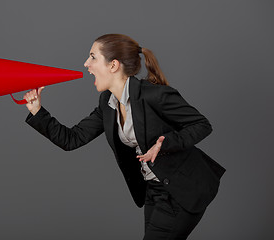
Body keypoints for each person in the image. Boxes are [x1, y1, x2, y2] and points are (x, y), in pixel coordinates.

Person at [23, 34, 225, 240]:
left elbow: (201, 124)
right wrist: (37, 111)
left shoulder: (154, 95)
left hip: (182, 191)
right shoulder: (108, 104)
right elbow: (72, 139)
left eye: (93, 57)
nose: (86, 64)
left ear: (113, 65)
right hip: (154, 191)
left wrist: (164, 145)